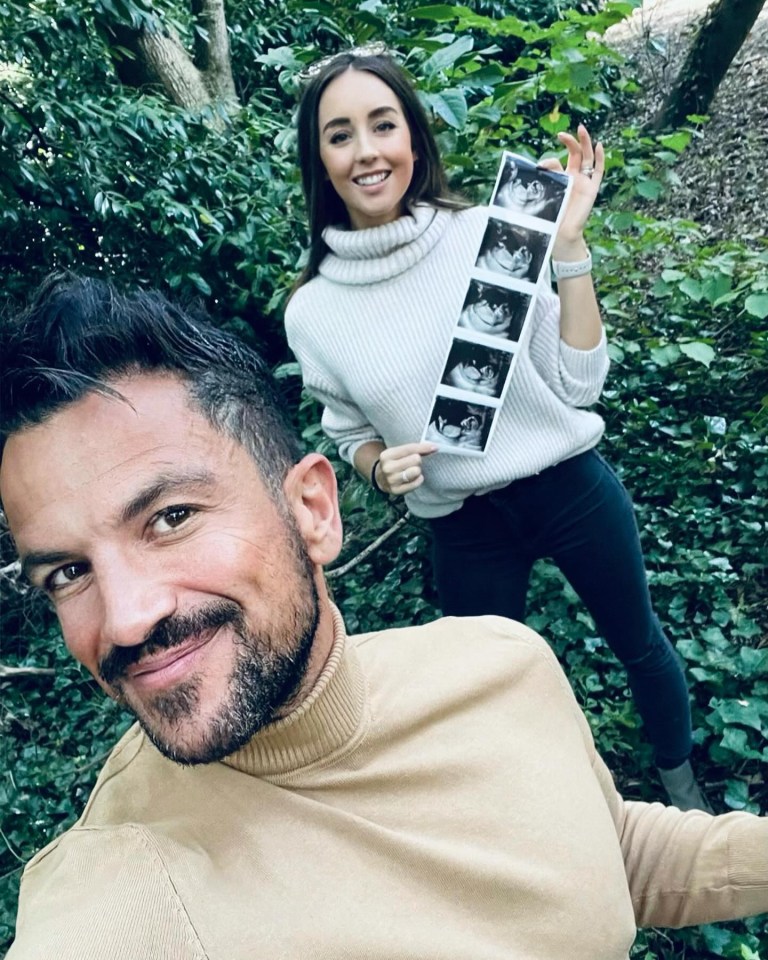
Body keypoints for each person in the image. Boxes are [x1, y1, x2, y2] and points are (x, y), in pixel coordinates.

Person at [1, 274, 766, 959]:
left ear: (313, 511)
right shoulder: (126, 887)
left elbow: (607, 850)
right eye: (69, 572)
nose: (127, 619)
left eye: (170, 518)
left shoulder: (501, 662)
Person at [284, 50, 709, 810]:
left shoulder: (493, 231)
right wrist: (379, 468)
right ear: (319, 158)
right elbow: (347, 430)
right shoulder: (312, 311)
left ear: (415, 137)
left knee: (637, 641)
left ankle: (682, 787)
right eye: (340, 134)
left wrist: (568, 249)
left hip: (568, 487)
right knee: (488, 688)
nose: (367, 151)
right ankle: (540, 816)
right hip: (464, 523)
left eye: (384, 125)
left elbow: (580, 384)